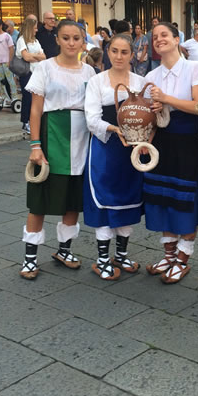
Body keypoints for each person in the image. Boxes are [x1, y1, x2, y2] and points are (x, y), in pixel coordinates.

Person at [20, 20, 96, 280]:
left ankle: (65, 250)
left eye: (76, 38)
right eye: (66, 38)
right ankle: (30, 258)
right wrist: (35, 145)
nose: (71, 43)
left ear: (83, 42)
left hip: (82, 137)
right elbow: (35, 109)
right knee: (40, 198)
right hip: (53, 135)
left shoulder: (90, 72)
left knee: (73, 198)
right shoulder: (44, 68)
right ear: (58, 40)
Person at [144, 22, 198, 283]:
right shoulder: (151, 76)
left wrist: (165, 99)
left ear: (177, 40)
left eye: (164, 35)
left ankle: (184, 258)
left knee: (186, 201)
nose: (159, 39)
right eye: (155, 37)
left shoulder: (194, 68)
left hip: (186, 141)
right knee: (163, 198)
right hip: (161, 142)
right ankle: (169, 254)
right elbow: (148, 115)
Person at [84, 34, 147, 280]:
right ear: (108, 53)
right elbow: (91, 119)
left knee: (128, 198)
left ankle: (120, 254)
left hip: (132, 150)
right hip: (106, 148)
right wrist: (115, 129)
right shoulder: (97, 82)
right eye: (114, 51)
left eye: (124, 52)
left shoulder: (141, 81)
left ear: (132, 55)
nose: (119, 56)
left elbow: (150, 117)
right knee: (105, 200)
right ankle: (102, 259)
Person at [16, 16, 46, 134]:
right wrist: (36, 56)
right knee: (28, 98)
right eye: (34, 28)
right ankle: (25, 121)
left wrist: (33, 56)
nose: (37, 30)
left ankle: (34, 120)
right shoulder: (21, 40)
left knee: (37, 97)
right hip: (27, 72)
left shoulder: (36, 41)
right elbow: (26, 57)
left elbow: (44, 57)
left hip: (37, 72)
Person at [0, 18, 18, 103]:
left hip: (6, 61)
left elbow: (11, 49)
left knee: (10, 79)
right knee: (0, 80)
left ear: (1, 25)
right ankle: (5, 97)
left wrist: (10, 60)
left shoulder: (7, 36)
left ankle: (14, 97)